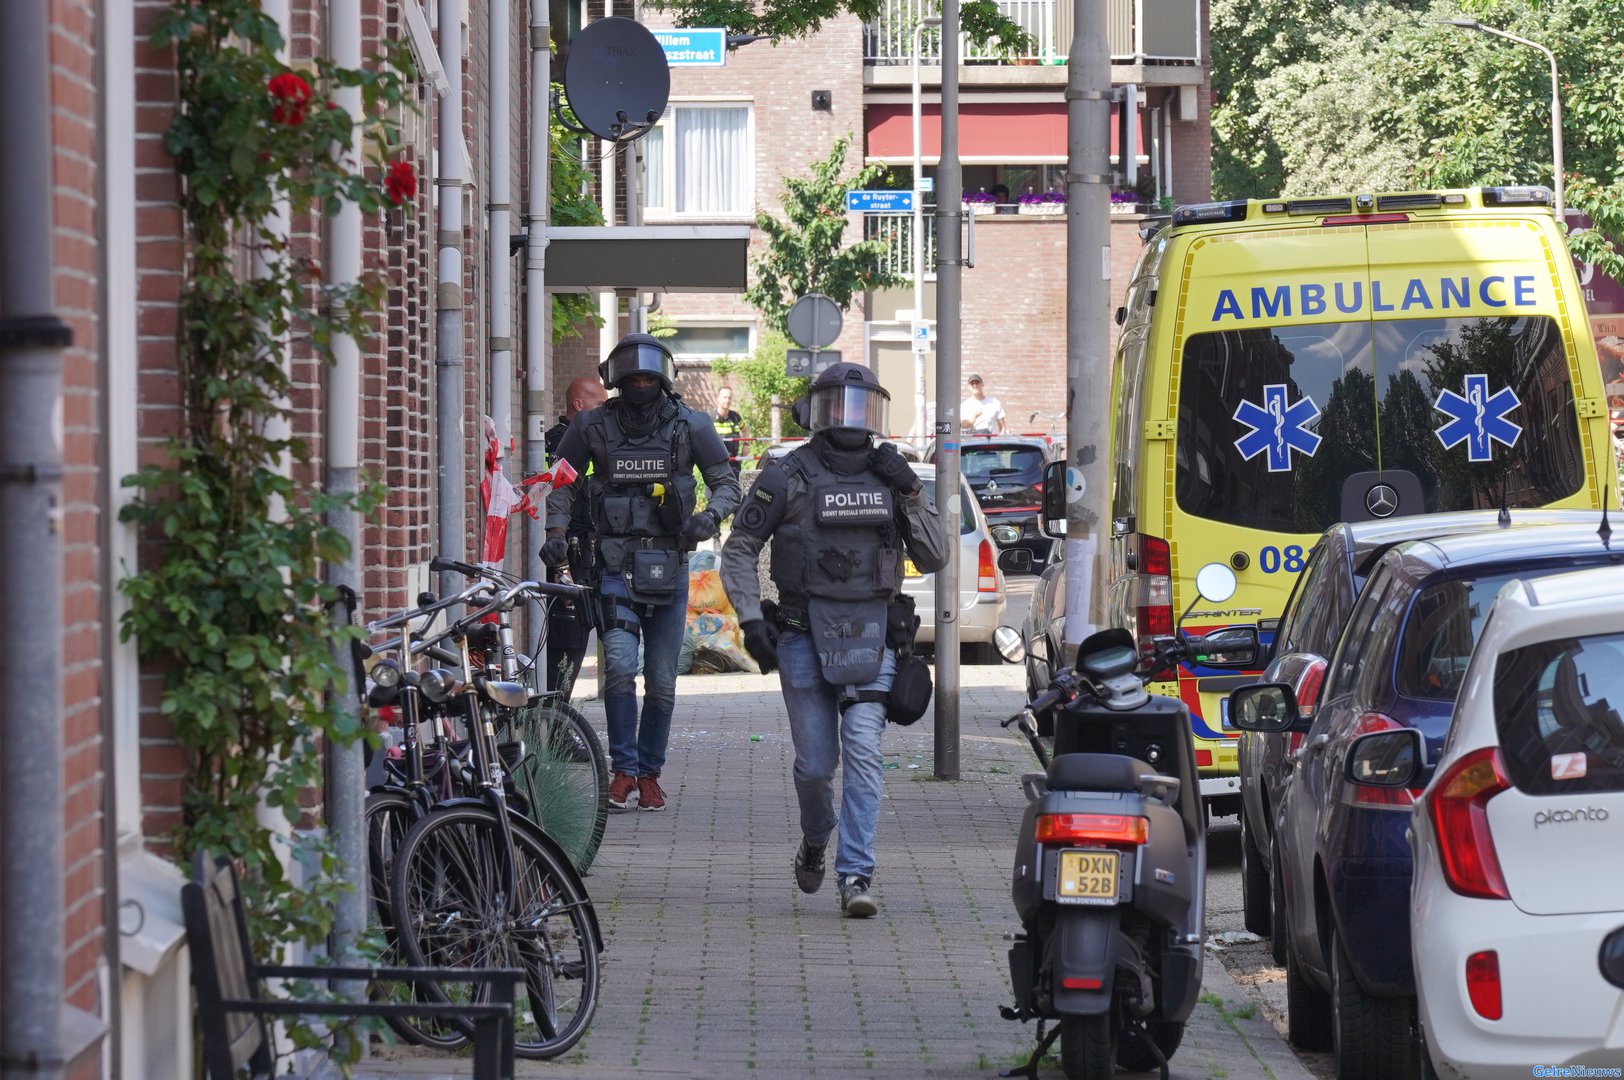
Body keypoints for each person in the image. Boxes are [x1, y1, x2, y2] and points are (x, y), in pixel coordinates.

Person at [719, 363, 949, 918]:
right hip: (800, 634)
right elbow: (740, 547)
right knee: (817, 766)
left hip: (875, 635)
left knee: (866, 753)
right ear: (817, 412)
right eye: (839, 406)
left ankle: (856, 875)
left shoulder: (893, 478)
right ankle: (816, 838)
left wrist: (913, 492)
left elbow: (937, 556)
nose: (850, 419)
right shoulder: (786, 475)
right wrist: (752, 621)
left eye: (861, 407)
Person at [545, 334, 742, 812]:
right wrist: (554, 533)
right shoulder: (592, 426)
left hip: (670, 567)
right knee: (617, 665)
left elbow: (727, 485)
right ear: (616, 380)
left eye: (647, 378)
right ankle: (623, 770)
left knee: (662, 680)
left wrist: (710, 517)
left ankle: (650, 773)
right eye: (631, 378)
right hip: (613, 566)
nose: (639, 384)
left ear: (661, 380)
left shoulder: (691, 426)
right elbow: (561, 482)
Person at [542, 376, 609, 701]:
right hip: (565, 552)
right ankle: (557, 719)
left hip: (584, 552)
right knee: (568, 636)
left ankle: (560, 717)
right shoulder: (561, 443)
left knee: (580, 632)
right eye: (599, 404)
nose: (604, 412)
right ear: (579, 405)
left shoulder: (587, 439)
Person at [712, 385, 746, 477]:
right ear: (718, 398)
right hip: (716, 464)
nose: (727, 400)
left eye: (729, 398)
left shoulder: (735, 417)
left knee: (736, 490)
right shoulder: (710, 418)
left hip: (734, 463)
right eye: (725, 397)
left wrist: (746, 445)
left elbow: (745, 430)